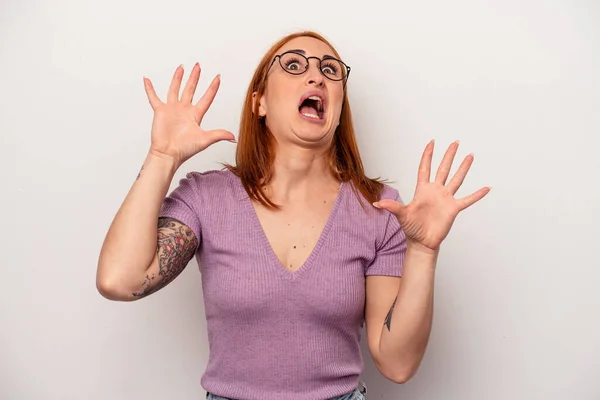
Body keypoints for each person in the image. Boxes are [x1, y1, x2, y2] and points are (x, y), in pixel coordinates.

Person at [96, 30, 490, 400]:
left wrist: (422, 250)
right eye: (295, 65)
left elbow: (397, 362)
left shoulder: (379, 208)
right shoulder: (206, 196)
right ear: (260, 102)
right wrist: (163, 157)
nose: (316, 76)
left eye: (330, 70)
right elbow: (119, 280)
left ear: (338, 110)